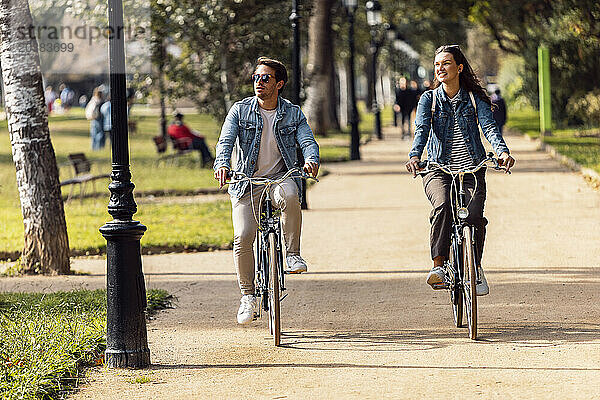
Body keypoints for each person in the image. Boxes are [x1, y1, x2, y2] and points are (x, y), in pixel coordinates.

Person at [213, 57, 319, 324]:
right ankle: (247, 296)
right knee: (243, 235)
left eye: (265, 78)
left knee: (292, 195)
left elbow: (307, 139)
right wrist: (222, 164)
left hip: (279, 178)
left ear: (279, 83)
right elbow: (225, 141)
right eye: (256, 78)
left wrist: (311, 158)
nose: (259, 82)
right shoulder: (240, 110)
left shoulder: (292, 113)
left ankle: (293, 255)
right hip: (245, 181)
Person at [406, 45, 515, 296]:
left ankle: (474, 268)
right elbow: (421, 130)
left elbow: (489, 127)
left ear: (459, 67)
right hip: (437, 168)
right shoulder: (429, 100)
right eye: (437, 65)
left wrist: (502, 152)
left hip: (472, 168)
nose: (440, 68)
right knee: (443, 205)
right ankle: (439, 265)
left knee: (474, 216)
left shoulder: (475, 98)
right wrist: (415, 155)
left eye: (446, 63)